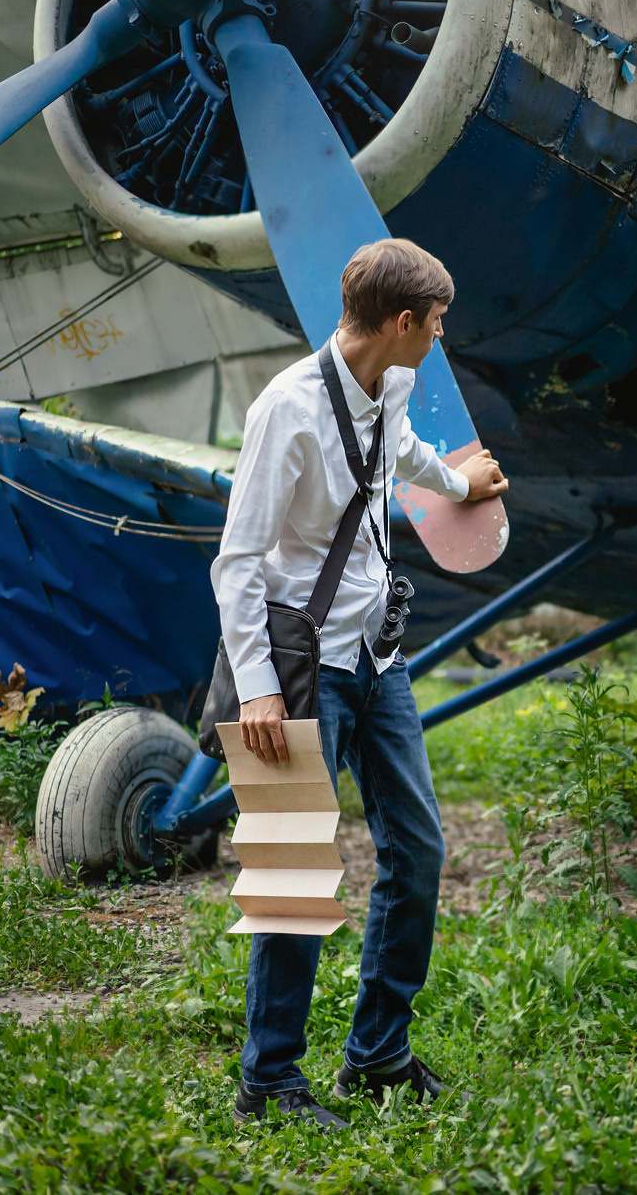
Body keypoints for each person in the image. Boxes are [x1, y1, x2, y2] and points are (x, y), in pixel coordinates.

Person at [211, 238, 509, 1130]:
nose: (442, 334)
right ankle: (270, 1081)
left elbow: (397, 452)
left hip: (378, 659)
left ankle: (376, 1057)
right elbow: (236, 563)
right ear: (403, 321)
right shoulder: (286, 412)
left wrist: (458, 481)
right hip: (301, 669)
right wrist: (259, 687)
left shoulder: (394, 382)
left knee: (416, 853)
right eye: (438, 320)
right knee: (295, 873)